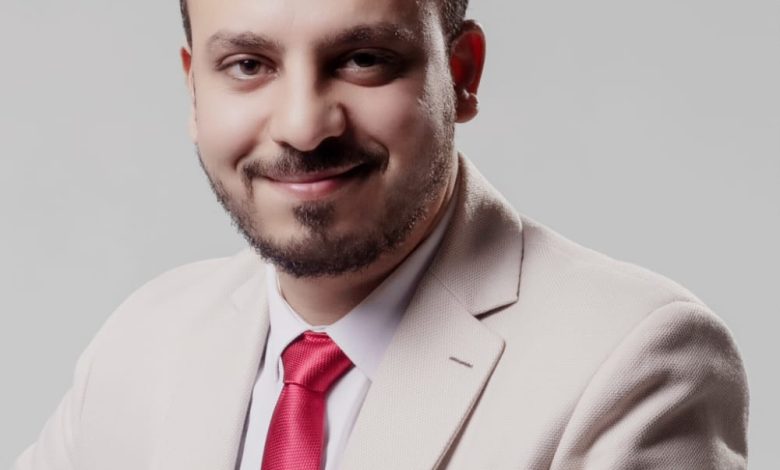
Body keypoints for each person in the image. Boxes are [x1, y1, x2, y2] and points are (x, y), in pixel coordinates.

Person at [14, 0, 748, 468]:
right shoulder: (141, 339)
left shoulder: (635, 362)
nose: (304, 126)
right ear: (193, 90)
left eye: (363, 59)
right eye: (248, 65)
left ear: (461, 74)